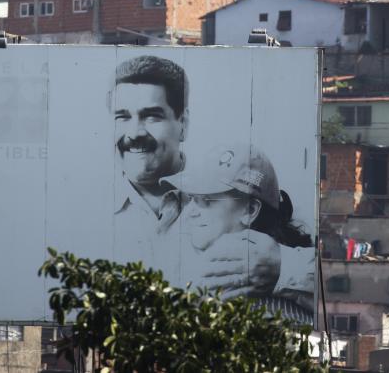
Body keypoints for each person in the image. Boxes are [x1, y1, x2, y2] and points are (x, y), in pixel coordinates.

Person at [110, 55, 314, 300]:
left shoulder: (224, 193)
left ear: (183, 124)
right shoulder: (77, 217)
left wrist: (283, 265)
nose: (134, 133)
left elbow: (333, 278)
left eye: (152, 116)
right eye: (122, 117)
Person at [167, 142, 314, 323]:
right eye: (191, 199)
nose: (190, 212)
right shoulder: (195, 285)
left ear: (250, 210)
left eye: (206, 200)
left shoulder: (277, 314)